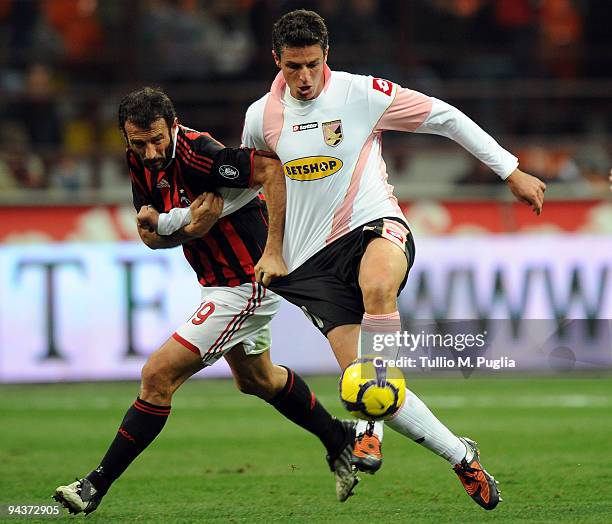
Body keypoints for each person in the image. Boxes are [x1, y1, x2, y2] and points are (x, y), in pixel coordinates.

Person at [242, 9, 547, 511]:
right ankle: (461, 456)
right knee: (365, 382)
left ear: (327, 57)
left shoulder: (362, 94)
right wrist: (232, 236)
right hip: (310, 263)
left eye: (312, 65)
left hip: (373, 225)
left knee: (378, 294)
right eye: (293, 66)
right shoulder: (261, 118)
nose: (303, 78)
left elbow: (445, 116)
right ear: (276, 59)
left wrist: (509, 170)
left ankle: (367, 431)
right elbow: (258, 182)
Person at [52, 87, 359, 516]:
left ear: (173, 126)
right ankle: (338, 438)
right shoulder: (139, 160)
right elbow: (149, 237)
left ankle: (93, 486)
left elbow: (272, 171)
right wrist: (188, 229)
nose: (150, 151)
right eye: (138, 143)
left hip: (246, 282)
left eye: (157, 139)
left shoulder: (201, 155)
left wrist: (273, 251)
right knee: (257, 380)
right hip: (215, 282)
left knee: (157, 376)